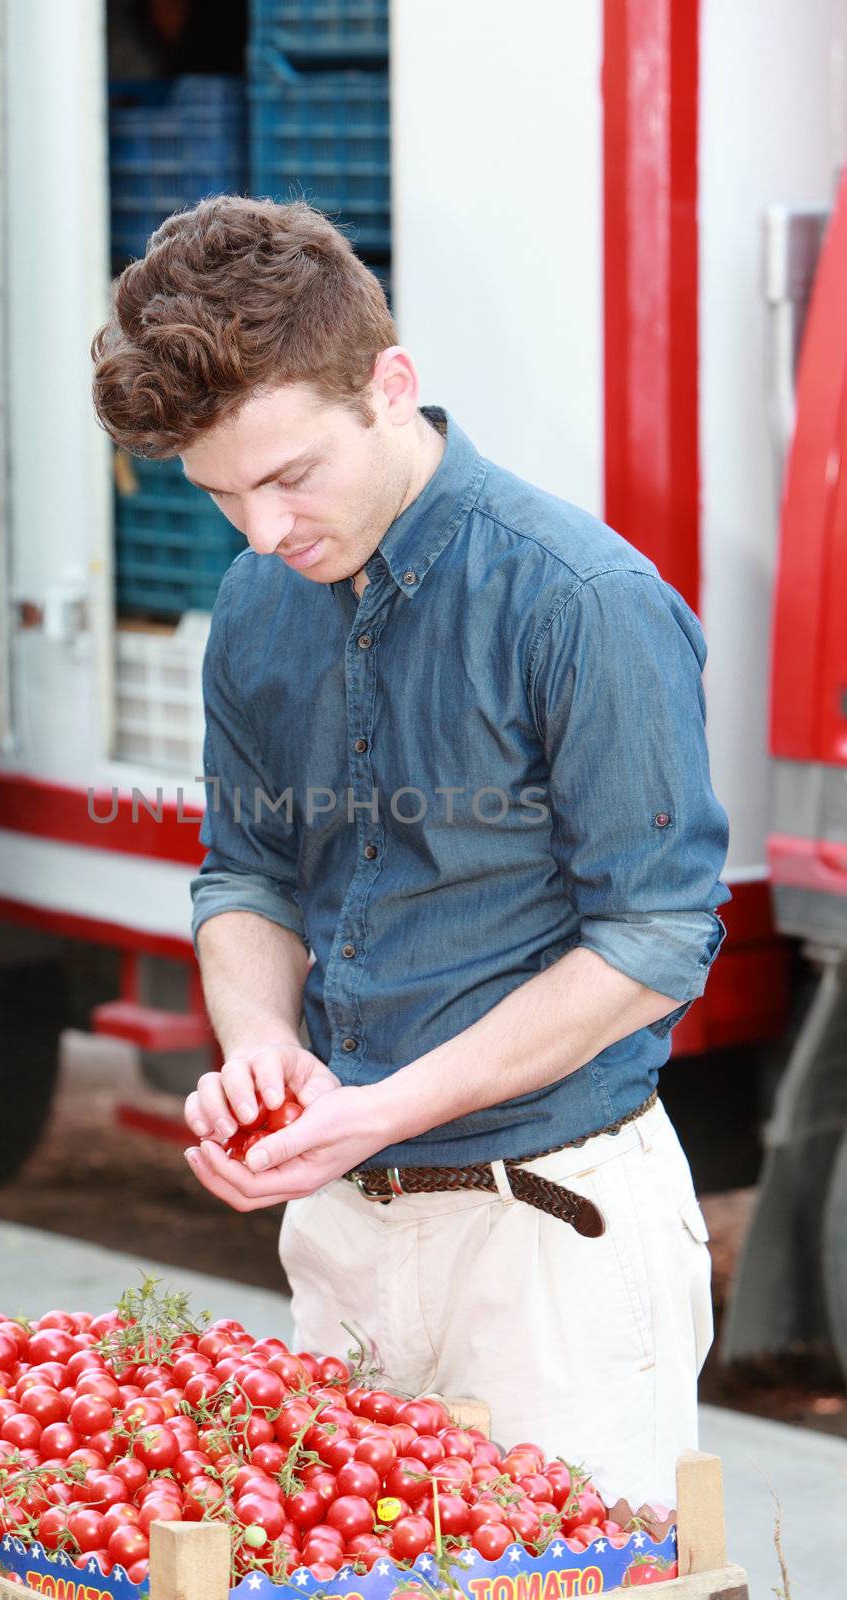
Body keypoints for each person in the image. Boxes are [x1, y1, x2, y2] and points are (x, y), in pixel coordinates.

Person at [91, 195, 730, 1507]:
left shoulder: (582, 603)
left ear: (391, 386)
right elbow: (251, 872)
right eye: (220, 497)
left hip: (550, 1244)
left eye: (288, 477)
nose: (262, 534)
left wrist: (379, 1108)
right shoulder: (260, 599)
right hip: (345, 1238)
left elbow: (657, 939)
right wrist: (261, 1043)